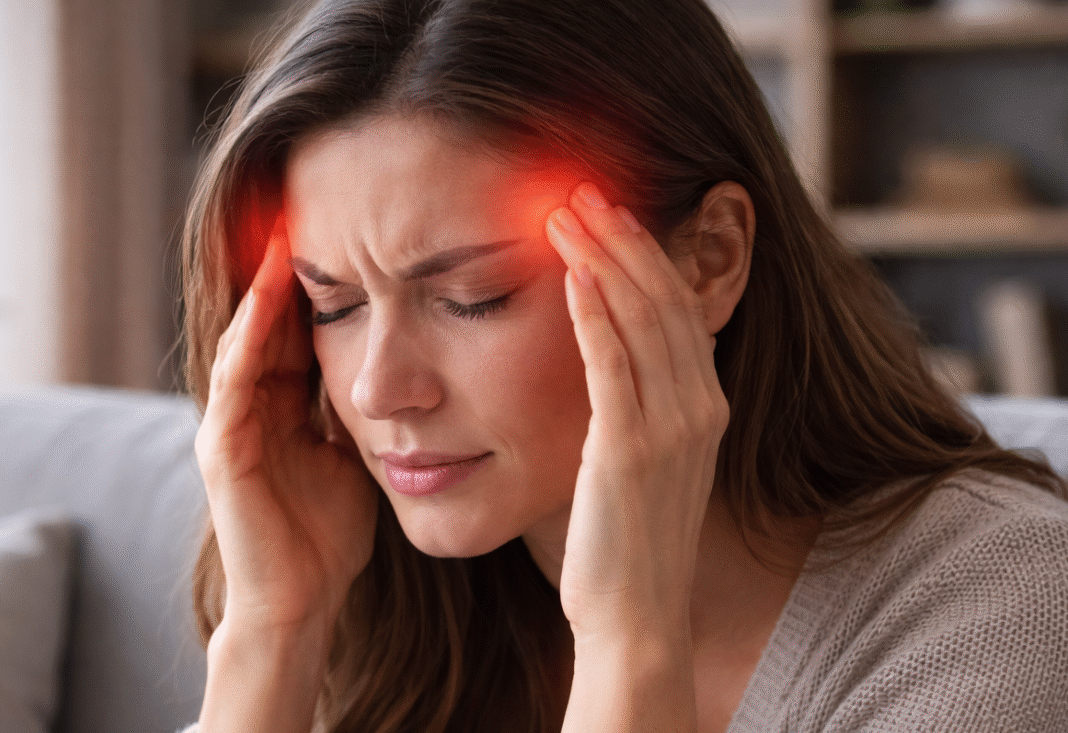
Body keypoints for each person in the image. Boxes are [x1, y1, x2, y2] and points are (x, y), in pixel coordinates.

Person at [178, 0, 1068, 731]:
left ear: (708, 259)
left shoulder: (1001, 611)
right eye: (332, 304)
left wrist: (629, 643)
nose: (375, 388)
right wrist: (272, 634)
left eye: (475, 294)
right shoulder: (405, 621)